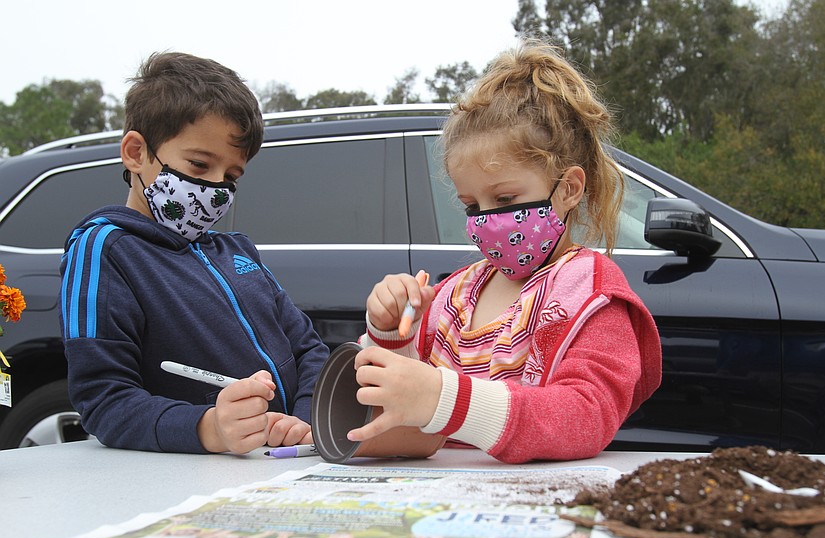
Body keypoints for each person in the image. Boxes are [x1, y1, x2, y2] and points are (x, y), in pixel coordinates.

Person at [349, 38, 662, 464]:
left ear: (568, 188)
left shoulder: (589, 292)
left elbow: (588, 416)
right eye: (472, 206)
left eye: (505, 199)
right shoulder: (449, 297)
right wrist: (390, 334)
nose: (485, 221)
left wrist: (447, 398)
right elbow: (385, 412)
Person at [59, 52, 329, 454]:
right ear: (136, 153)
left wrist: (306, 418)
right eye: (200, 166)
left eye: (232, 176)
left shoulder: (237, 250)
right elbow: (104, 400)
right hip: (195, 485)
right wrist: (207, 428)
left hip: (290, 464)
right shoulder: (105, 249)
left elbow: (308, 349)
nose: (218, 187)